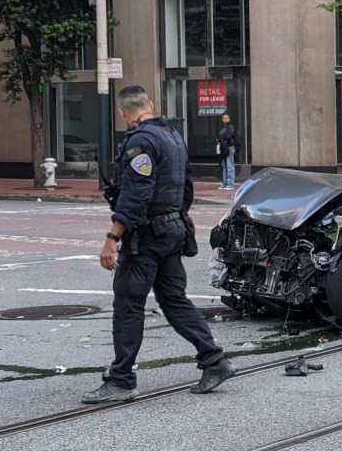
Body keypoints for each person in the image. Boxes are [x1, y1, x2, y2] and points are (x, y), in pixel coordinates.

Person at [83, 84, 236, 404]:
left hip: (147, 237)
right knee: (174, 300)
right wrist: (173, 220)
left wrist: (113, 237)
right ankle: (214, 361)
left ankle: (122, 379)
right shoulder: (172, 138)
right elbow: (187, 190)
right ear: (150, 104)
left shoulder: (140, 141)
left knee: (127, 304)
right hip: (172, 231)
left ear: (123, 112)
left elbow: (136, 195)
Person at [216, 113, 240, 191]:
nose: (224, 119)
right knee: (224, 167)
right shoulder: (223, 127)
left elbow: (228, 136)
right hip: (223, 148)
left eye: (226, 118)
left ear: (229, 119)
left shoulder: (231, 127)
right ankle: (225, 183)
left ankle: (230, 184)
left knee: (230, 166)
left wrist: (222, 139)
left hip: (229, 147)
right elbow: (219, 136)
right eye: (223, 118)